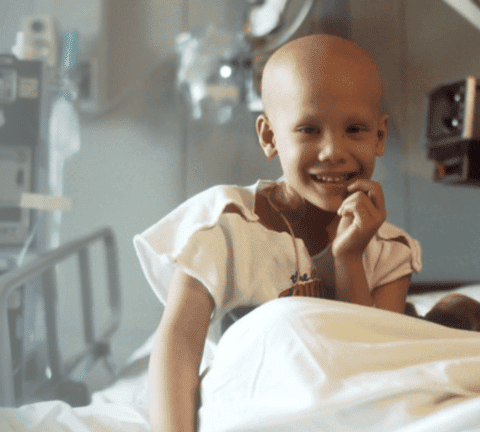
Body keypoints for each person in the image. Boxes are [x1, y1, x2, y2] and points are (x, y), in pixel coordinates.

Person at [133, 34, 422, 432]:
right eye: (309, 129)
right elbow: (178, 348)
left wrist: (349, 258)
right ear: (269, 137)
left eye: (355, 129)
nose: (333, 151)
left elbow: (370, 368)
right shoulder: (222, 226)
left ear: (380, 136)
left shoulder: (390, 253)